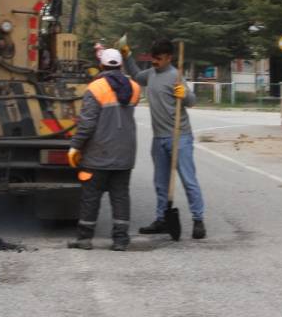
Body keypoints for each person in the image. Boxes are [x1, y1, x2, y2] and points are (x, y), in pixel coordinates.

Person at [125, 38, 207, 239]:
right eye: (153, 58)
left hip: (180, 137)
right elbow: (136, 76)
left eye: (159, 58)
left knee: (188, 180)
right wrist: (127, 56)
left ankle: (198, 220)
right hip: (159, 138)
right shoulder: (151, 74)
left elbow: (192, 101)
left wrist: (184, 94)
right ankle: (161, 219)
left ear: (169, 58)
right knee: (160, 183)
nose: (154, 61)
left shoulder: (175, 76)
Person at [66, 48, 141, 251]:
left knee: (91, 196)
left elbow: (87, 124)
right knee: (120, 196)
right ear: (121, 65)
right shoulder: (134, 88)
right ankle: (120, 240)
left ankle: (84, 239)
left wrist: (75, 146)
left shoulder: (95, 88)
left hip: (98, 153)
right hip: (125, 153)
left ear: (101, 65)